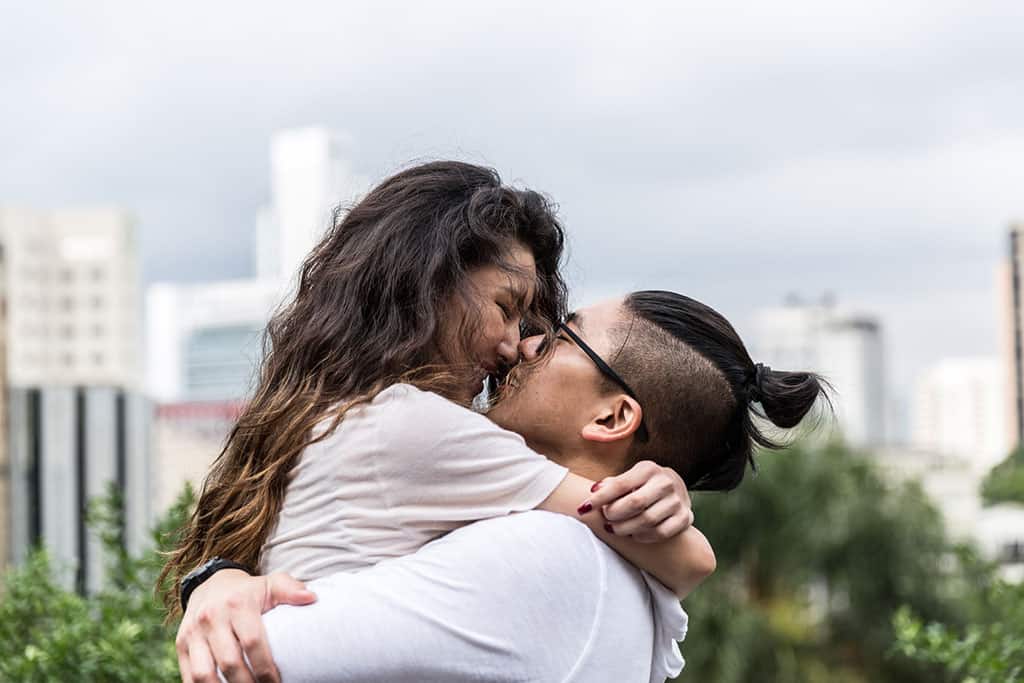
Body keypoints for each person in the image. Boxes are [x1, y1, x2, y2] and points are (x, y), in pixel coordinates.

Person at [165, 162, 715, 679]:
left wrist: (217, 578)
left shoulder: (344, 418)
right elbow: (691, 561)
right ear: (428, 285)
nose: (514, 346)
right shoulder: (409, 424)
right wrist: (658, 496)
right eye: (506, 308)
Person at [178, 290, 828, 682]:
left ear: (611, 416)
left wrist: (217, 587)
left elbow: (252, 662)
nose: (525, 344)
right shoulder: (609, 566)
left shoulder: (550, 553)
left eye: (560, 337)